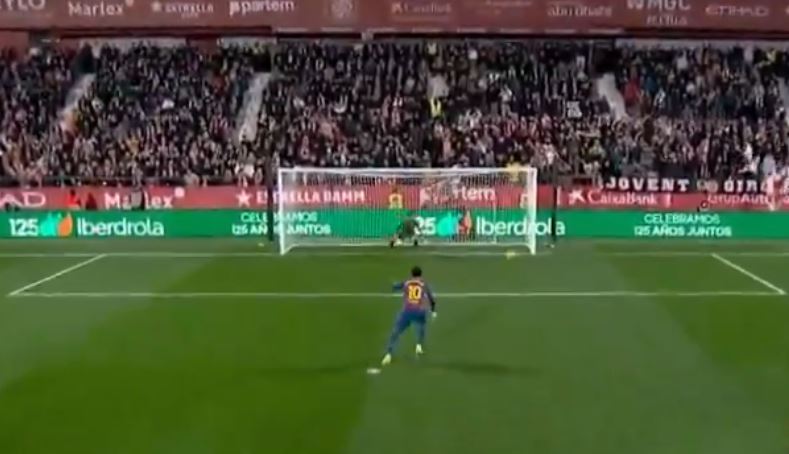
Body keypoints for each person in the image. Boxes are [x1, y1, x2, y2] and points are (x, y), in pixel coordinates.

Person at [381, 266, 437, 366]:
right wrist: (433, 310)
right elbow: (431, 298)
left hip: (407, 311)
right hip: (419, 311)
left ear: (412, 274)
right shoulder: (423, 284)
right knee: (422, 326)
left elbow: (396, 286)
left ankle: (388, 354)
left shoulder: (407, 282)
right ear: (421, 274)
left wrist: (394, 285)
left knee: (396, 332)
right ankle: (419, 345)